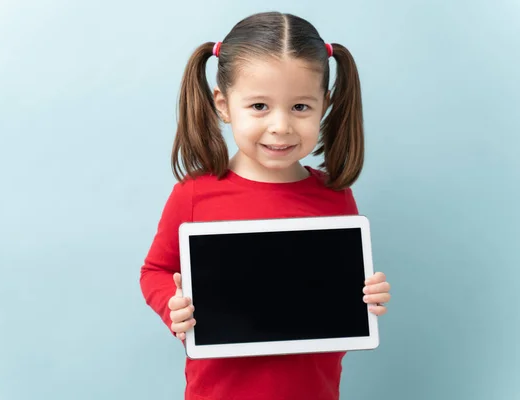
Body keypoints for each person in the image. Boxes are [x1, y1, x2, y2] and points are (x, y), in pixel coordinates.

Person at [139, 11, 392, 400]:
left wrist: (364, 294)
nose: (280, 126)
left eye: (300, 107)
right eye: (259, 106)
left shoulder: (334, 195)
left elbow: (333, 285)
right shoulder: (194, 194)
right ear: (223, 105)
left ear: (324, 104)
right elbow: (156, 269)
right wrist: (171, 304)